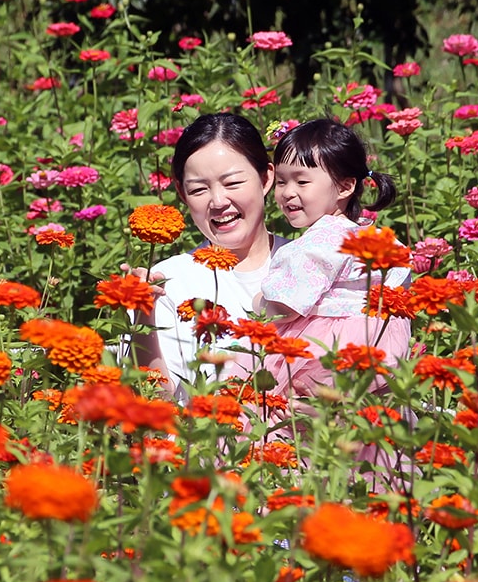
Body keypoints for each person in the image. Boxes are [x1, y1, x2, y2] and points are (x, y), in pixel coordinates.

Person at [238, 118, 412, 401]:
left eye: (302, 181)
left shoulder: (319, 241)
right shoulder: (373, 235)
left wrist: (261, 302)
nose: (287, 192)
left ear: (345, 187)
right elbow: (401, 280)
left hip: (324, 353)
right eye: (281, 181)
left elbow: (287, 307)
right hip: (379, 347)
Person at [128, 112, 290, 402]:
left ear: (267, 177)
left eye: (232, 183)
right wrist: (144, 314)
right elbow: (156, 398)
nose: (217, 202)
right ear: (181, 193)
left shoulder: (309, 264)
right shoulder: (166, 281)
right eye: (199, 189)